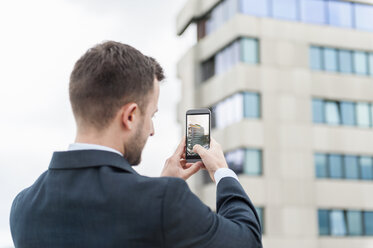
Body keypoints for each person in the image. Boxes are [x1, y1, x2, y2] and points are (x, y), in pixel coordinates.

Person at [9, 41, 262, 248]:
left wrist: (160, 186)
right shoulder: (165, 201)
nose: (152, 130)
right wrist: (222, 171)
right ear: (130, 116)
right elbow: (247, 240)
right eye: (151, 115)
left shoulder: (23, 207)